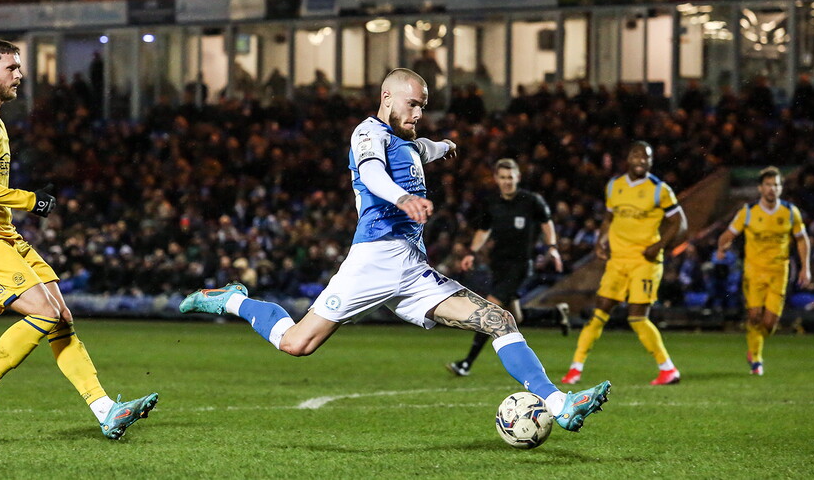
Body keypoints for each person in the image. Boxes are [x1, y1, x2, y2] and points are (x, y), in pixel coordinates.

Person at [181, 68, 610, 433]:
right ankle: (233, 300)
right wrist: (402, 198)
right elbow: (371, 174)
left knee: (498, 318)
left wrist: (445, 147)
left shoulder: (408, 141)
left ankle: (559, 404)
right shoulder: (367, 133)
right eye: (413, 104)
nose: (419, 113)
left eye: (424, 106)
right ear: (387, 98)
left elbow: (425, 148)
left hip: (412, 271)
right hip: (372, 261)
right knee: (297, 344)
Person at [0, 39, 157, 442]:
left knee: (61, 318)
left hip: (2, 233)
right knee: (43, 314)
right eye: (12, 68)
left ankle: (106, 410)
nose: (20, 75)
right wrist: (30, 200)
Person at [561, 141, 686, 386]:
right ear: (628, 158)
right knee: (599, 313)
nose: (641, 160)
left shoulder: (660, 190)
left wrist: (658, 246)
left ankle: (668, 369)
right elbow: (609, 218)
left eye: (647, 157)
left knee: (637, 316)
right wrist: (600, 241)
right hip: (617, 261)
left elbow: (680, 223)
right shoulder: (614, 186)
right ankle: (575, 369)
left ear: (651, 162)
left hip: (645, 262)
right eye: (637, 155)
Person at [446, 158, 569, 377]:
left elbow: (546, 222)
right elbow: (484, 230)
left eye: (510, 178)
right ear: (496, 179)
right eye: (502, 178)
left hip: (521, 265)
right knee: (515, 317)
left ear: (517, 178)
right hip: (500, 265)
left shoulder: (531, 201)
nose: (507, 182)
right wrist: (472, 253)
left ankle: (466, 363)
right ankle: (555, 314)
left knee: (491, 310)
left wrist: (552, 247)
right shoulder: (492, 203)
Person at [716, 166, 811, 375]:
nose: (772, 189)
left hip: (779, 271)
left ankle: (755, 346)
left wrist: (806, 267)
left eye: (776, 184)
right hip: (754, 272)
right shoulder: (748, 212)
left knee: (769, 323)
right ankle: (756, 358)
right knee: (755, 316)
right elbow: (728, 234)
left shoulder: (790, 212)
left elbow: (802, 240)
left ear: (781, 188)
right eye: (768, 184)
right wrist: (722, 247)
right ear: (760, 188)